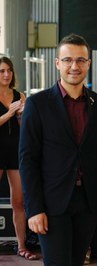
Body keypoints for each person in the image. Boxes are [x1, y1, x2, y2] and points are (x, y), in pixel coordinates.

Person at [19, 33, 97, 265]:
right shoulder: (38, 104)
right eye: (68, 60)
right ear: (57, 64)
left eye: (81, 60)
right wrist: (34, 209)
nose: (74, 66)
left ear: (89, 64)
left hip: (89, 203)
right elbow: (28, 159)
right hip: (52, 203)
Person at [0, 57, 38, 260]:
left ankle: (22, 246)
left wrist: (22, 115)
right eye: (2, 71)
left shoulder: (19, 95)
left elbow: (24, 129)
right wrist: (10, 112)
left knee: (19, 201)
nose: (6, 74)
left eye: (9, 71)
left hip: (15, 152)